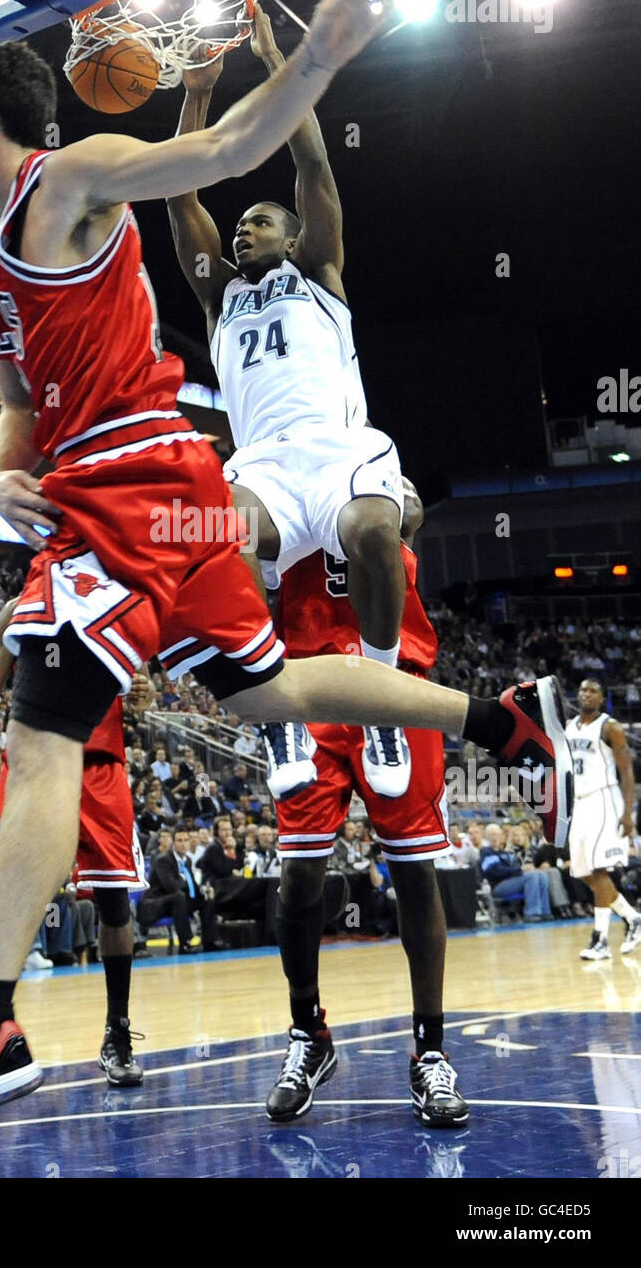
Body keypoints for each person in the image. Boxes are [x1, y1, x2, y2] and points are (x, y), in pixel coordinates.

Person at [0, 0, 571, 1138]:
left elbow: (231, 145)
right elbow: (16, 401)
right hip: (178, 497)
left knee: (40, 741)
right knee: (271, 686)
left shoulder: (70, 179)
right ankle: (494, 719)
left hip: (136, 488)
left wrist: (320, 57)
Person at [166, 5, 408, 801]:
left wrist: (282, 63)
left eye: (259, 221)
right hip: (265, 462)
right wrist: (198, 97)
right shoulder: (218, 298)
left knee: (375, 533)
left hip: (340, 449)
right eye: (238, 226)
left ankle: (381, 705)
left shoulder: (320, 271)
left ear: (294, 235)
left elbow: (313, 168)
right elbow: (178, 199)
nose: (242, 232)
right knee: (221, 535)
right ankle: (279, 715)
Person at [263, 480, 468, 1125]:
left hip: (396, 691)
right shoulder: (276, 483)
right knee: (298, 877)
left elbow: (408, 511)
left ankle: (429, 1052)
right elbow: (233, 535)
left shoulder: (377, 478)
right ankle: (308, 1033)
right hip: (312, 695)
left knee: (414, 872)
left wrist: (374, 489)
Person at [0, 596, 149, 1087]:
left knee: (113, 904)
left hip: (99, 767)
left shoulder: (123, 605)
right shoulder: (21, 609)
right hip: (35, 766)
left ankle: (117, 1031)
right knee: (5, 900)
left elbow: (138, 692)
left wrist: (141, 696)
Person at [567, 679, 641, 960]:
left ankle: (600, 940)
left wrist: (627, 812)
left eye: (592, 691)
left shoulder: (611, 727)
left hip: (604, 801)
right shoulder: (569, 727)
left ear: (602, 699)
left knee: (599, 871)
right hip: (579, 803)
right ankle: (632, 917)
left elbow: (627, 772)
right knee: (583, 871)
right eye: (582, 689)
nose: (586, 694)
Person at [138, 826, 221, 954]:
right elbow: (172, 887)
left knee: (205, 899)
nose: (183, 844)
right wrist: (182, 878)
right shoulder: (163, 860)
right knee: (178, 896)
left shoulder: (186, 860)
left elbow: (191, 885)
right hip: (154, 905)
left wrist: (203, 889)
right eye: (179, 841)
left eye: (186, 840)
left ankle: (210, 941)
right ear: (173, 842)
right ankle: (186, 942)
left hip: (175, 905)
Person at [478, 823, 551, 921]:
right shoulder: (486, 852)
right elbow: (495, 871)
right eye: (492, 835)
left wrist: (520, 870)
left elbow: (514, 868)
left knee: (541, 874)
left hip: (512, 881)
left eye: (497, 834)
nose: (495, 837)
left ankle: (545, 911)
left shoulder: (505, 853)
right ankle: (531, 913)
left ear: (501, 836)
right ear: (487, 837)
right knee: (531, 877)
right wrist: (520, 870)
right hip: (498, 886)